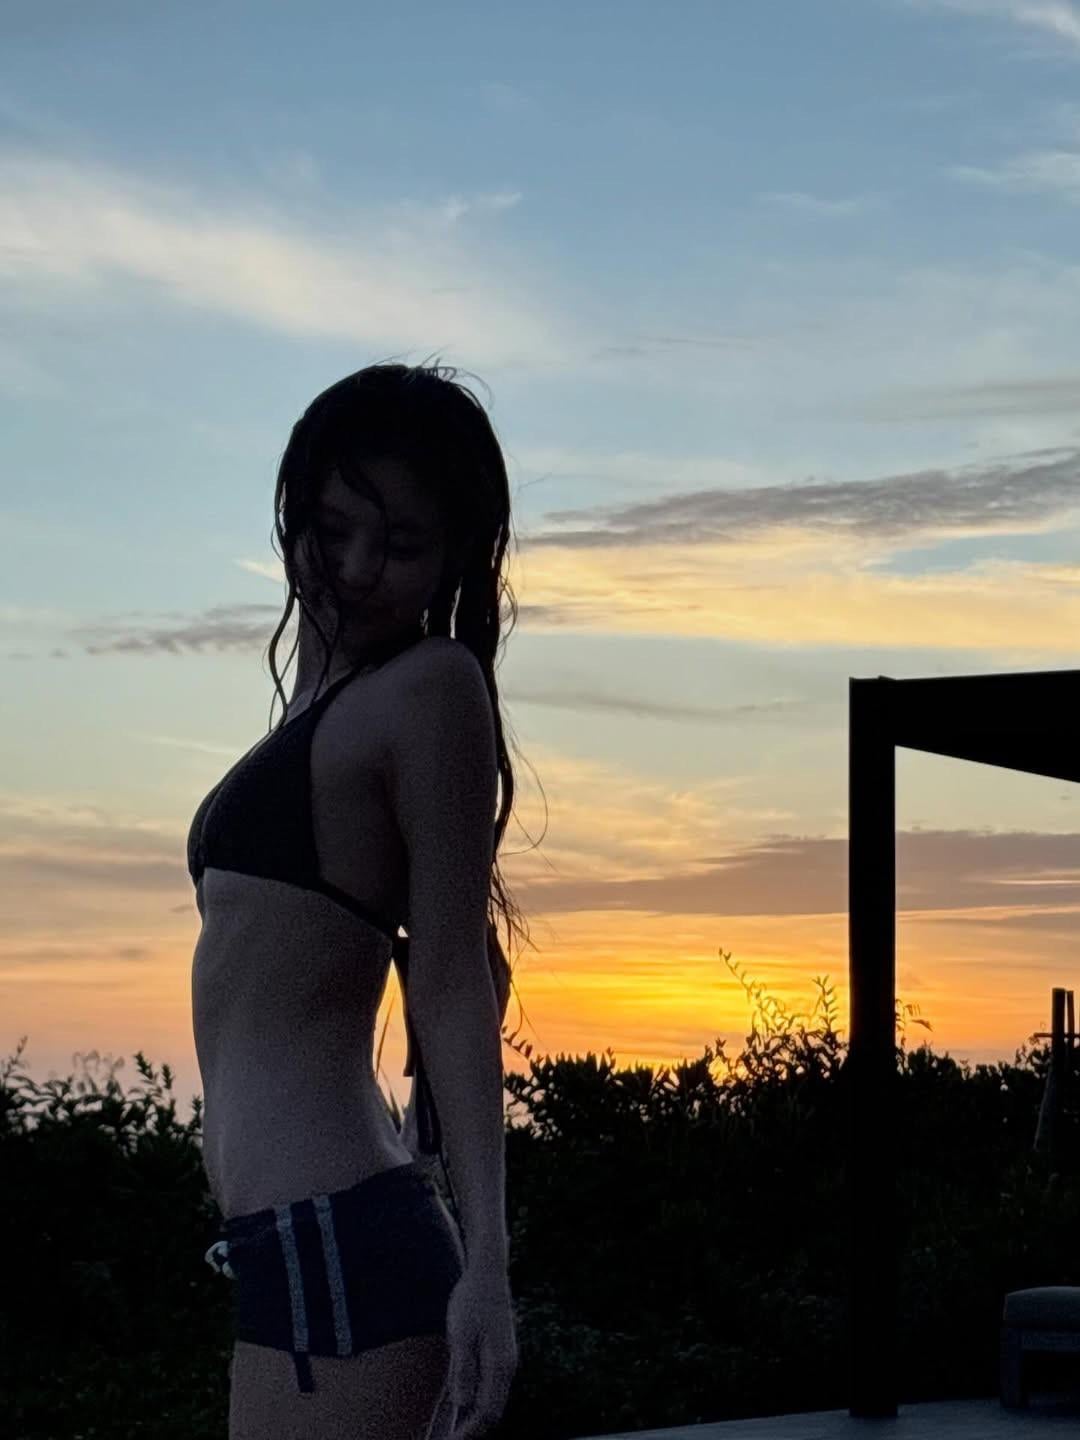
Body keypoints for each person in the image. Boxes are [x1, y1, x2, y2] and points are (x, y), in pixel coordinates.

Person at [188, 358, 540, 1439]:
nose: (354, 569)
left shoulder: (430, 687)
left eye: (400, 545)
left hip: (339, 1245)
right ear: (294, 513)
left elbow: (450, 975)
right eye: (334, 530)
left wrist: (488, 1270)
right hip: (296, 1247)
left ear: (455, 557)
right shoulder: (319, 700)